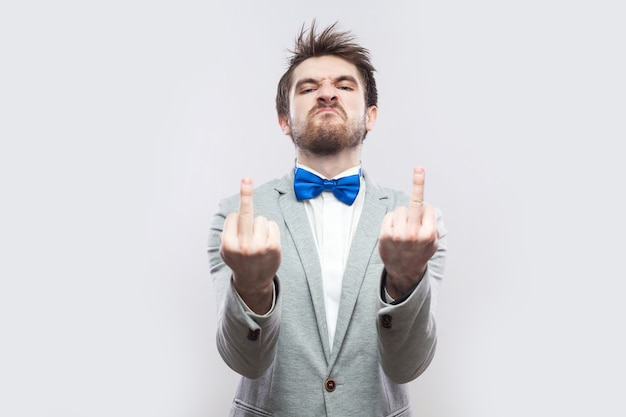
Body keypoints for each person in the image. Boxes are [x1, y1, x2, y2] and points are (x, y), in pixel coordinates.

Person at [208, 21, 447, 417]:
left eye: (344, 85)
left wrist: (405, 281)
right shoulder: (236, 218)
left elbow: (408, 364)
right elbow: (244, 361)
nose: (327, 93)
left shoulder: (418, 224)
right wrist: (252, 288)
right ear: (285, 121)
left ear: (370, 116)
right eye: (307, 88)